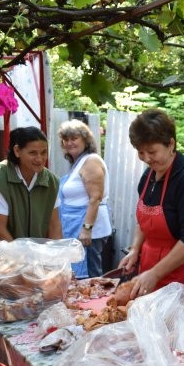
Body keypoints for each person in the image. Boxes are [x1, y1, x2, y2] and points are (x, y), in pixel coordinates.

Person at [117, 109, 184, 329]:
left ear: (171, 144)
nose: (146, 158)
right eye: (140, 152)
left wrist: (155, 273)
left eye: (151, 151)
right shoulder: (148, 177)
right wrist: (135, 249)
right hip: (152, 273)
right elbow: (144, 221)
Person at [0, 126, 62, 277]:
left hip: (34, 267)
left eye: (43, 152)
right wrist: (26, 266)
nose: (40, 159)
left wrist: (55, 264)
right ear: (17, 151)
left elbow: (54, 227)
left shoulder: (51, 182)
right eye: (33, 153)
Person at [57, 119, 112, 278]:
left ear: (85, 140)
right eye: (65, 139)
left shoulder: (91, 161)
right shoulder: (79, 163)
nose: (69, 143)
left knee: (91, 277)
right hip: (76, 227)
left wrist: (87, 229)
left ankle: (96, 303)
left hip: (88, 230)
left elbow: (95, 197)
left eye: (74, 138)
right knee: (81, 277)